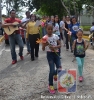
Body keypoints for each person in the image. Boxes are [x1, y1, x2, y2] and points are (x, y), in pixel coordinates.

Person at [42, 24, 61, 94]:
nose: (50, 30)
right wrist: (45, 45)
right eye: (48, 29)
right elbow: (43, 49)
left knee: (59, 67)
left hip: (56, 54)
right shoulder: (44, 38)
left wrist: (55, 47)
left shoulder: (55, 36)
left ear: (53, 29)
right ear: (46, 29)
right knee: (52, 70)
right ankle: (50, 85)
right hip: (50, 55)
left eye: (51, 29)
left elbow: (60, 45)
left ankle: (55, 74)